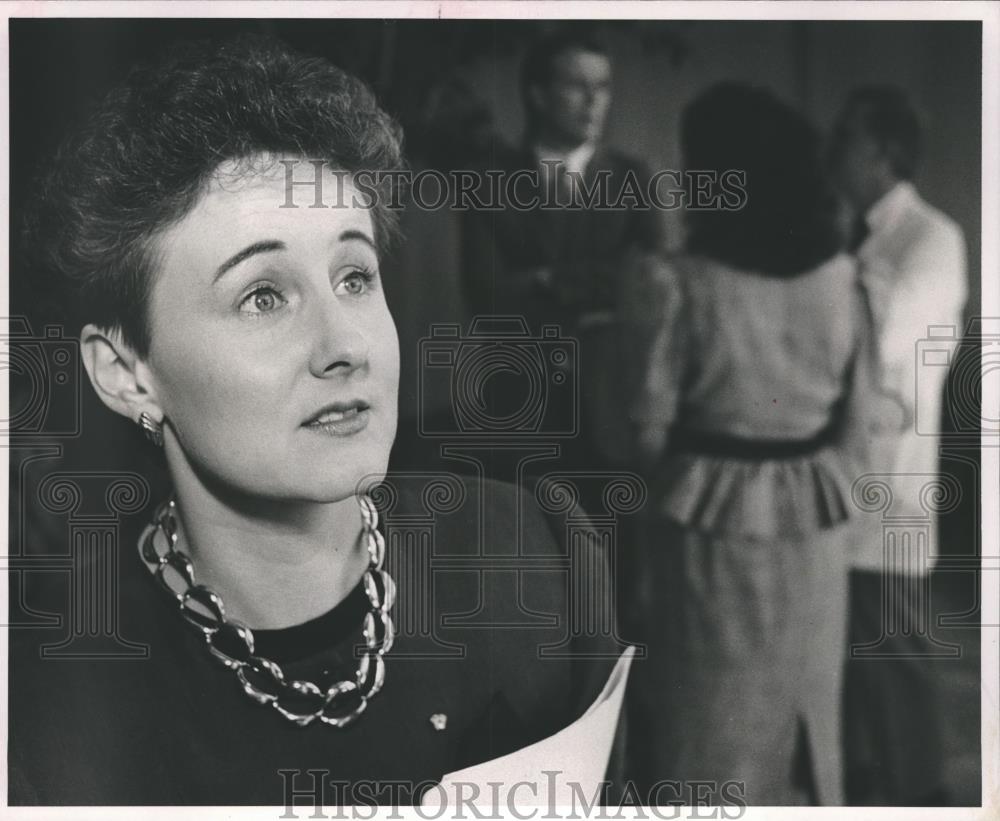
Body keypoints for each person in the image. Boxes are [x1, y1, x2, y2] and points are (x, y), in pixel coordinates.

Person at [8, 36, 626, 806]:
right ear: (127, 372)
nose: (345, 346)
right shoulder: (47, 706)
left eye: (355, 276)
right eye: (263, 295)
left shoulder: (537, 552)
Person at [623, 83, 883, 806]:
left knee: (708, 718)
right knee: (798, 712)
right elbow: (860, 422)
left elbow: (642, 425)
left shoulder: (674, 284)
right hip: (811, 528)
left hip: (710, 529)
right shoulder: (846, 280)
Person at [829, 85, 969, 805]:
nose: (833, 153)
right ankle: (875, 784)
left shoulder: (929, 238)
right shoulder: (857, 233)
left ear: (881, 150)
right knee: (856, 656)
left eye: (845, 139)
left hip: (890, 473)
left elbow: (896, 358)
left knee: (896, 648)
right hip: (849, 472)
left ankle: (926, 794)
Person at [460, 30, 665, 474]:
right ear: (538, 94)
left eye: (603, 87)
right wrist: (599, 282)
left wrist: (545, 279)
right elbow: (485, 295)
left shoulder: (634, 177)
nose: (594, 102)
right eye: (577, 86)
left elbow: (649, 288)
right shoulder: (488, 180)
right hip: (519, 398)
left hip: (612, 394)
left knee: (611, 532)